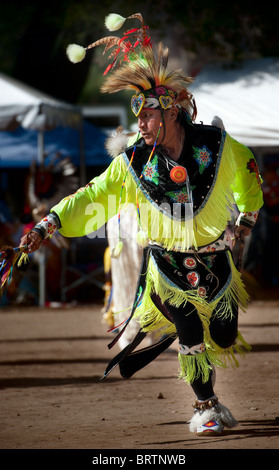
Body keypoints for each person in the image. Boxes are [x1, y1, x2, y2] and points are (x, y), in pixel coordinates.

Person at [20, 13, 263, 436]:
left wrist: (245, 218)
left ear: (170, 112)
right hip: (166, 264)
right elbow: (93, 194)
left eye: (147, 116)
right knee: (189, 328)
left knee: (223, 335)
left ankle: (211, 370)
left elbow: (246, 173)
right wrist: (51, 222)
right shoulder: (134, 161)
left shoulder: (215, 145)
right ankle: (206, 407)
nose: (141, 125)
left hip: (214, 260)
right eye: (139, 118)